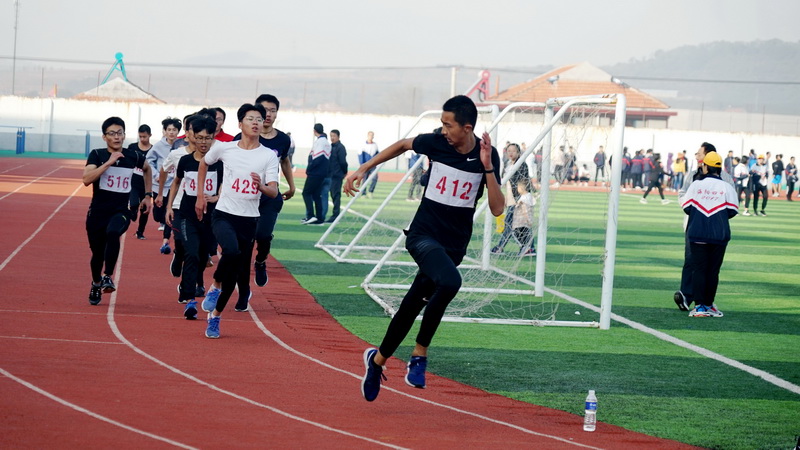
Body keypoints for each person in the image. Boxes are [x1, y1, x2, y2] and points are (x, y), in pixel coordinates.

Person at [344, 95, 505, 402]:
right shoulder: (436, 144)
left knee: (412, 304)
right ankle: (419, 355)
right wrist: (364, 167)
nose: (443, 129)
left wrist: (487, 169)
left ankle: (376, 361)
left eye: (448, 125)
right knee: (450, 282)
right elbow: (404, 144)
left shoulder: (488, 155)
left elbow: (498, 209)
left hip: (453, 246)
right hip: (423, 236)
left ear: (467, 127)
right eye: (442, 124)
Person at [194, 103, 280, 339]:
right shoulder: (224, 148)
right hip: (224, 214)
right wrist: (201, 197)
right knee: (230, 252)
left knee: (234, 273)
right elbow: (203, 163)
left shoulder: (268, 156)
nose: (256, 122)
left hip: (249, 219)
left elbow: (273, 191)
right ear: (240, 123)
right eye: (250, 118)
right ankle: (214, 285)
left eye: (260, 119)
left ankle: (216, 317)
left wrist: (260, 186)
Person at [233, 94, 296, 310]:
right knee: (242, 247)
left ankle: (261, 261)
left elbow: (285, 160)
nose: (268, 115)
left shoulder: (283, 140)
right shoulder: (238, 139)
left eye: (272, 110)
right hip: (245, 198)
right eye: (264, 111)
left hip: (269, 197)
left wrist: (292, 185)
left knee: (262, 235)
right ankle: (243, 292)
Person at [82, 117, 152, 305]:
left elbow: (147, 169)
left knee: (114, 232)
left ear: (124, 134)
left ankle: (107, 276)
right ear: (105, 137)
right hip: (97, 213)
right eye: (112, 133)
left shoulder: (133, 156)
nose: (117, 137)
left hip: (121, 210)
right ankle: (96, 283)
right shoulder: (97, 155)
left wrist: (147, 195)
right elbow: (86, 179)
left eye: (120, 132)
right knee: (97, 254)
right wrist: (108, 163)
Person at [165, 115, 221, 318]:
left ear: (213, 138)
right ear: (191, 137)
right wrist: (169, 207)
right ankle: (190, 300)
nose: (203, 142)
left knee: (203, 255)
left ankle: (189, 286)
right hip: (188, 215)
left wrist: (215, 197)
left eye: (207, 138)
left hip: (211, 218)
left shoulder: (219, 163)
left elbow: (224, 185)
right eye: (199, 137)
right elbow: (176, 182)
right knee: (191, 253)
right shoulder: (186, 161)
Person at [674, 142, 734, 312]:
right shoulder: (692, 176)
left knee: (709, 267)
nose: (696, 157)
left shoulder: (726, 178)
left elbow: (731, 201)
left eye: (699, 154)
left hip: (713, 228)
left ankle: (705, 302)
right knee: (691, 261)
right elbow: (682, 195)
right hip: (694, 225)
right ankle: (687, 296)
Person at [146, 117, 182, 255]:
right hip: (159, 185)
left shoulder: (181, 145)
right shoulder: (159, 146)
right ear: (164, 131)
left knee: (170, 211)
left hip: (174, 185)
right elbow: (149, 160)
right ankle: (164, 223)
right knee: (157, 215)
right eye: (169, 130)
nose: (172, 132)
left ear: (178, 131)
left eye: (174, 130)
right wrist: (156, 174)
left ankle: (165, 240)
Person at [491, 143, 530, 254]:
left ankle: (500, 247)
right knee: (518, 224)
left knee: (510, 224)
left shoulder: (521, 165)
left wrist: (520, 199)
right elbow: (508, 185)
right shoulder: (508, 165)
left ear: (518, 152)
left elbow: (522, 183)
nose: (511, 153)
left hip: (518, 199)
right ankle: (527, 247)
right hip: (511, 199)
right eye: (509, 151)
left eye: (513, 151)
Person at [301, 123, 331, 225]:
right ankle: (319, 218)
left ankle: (311, 216)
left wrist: (309, 169)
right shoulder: (326, 142)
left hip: (315, 172)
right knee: (316, 194)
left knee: (306, 193)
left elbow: (317, 158)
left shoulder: (320, 142)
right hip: (322, 173)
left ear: (314, 131)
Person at [128, 124, 153, 240]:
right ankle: (132, 212)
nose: (142, 139)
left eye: (145, 137)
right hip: (133, 181)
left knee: (145, 210)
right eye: (140, 137)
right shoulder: (132, 147)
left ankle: (140, 231)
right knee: (133, 204)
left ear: (150, 135)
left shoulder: (153, 150)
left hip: (146, 183)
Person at [324, 129, 348, 222]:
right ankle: (335, 214)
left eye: (334, 136)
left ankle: (336, 215)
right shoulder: (331, 147)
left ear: (338, 136)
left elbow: (343, 161)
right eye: (331, 136)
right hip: (331, 174)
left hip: (337, 175)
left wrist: (344, 172)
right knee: (333, 194)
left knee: (336, 195)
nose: (332, 138)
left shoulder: (340, 147)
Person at [512, 178, 536, 256]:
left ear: (522, 188)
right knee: (524, 235)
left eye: (518, 187)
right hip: (526, 220)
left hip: (521, 221)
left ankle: (525, 248)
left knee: (516, 234)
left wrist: (527, 219)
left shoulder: (523, 198)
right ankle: (527, 248)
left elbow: (524, 209)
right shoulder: (529, 196)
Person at [359, 131, 380, 198]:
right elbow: (360, 155)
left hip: (373, 166)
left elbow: (378, 154)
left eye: (372, 135)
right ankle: (363, 193)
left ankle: (370, 191)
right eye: (370, 135)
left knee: (375, 178)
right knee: (364, 179)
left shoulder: (375, 145)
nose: (371, 137)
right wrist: (362, 165)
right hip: (365, 165)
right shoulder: (363, 145)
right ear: (368, 136)